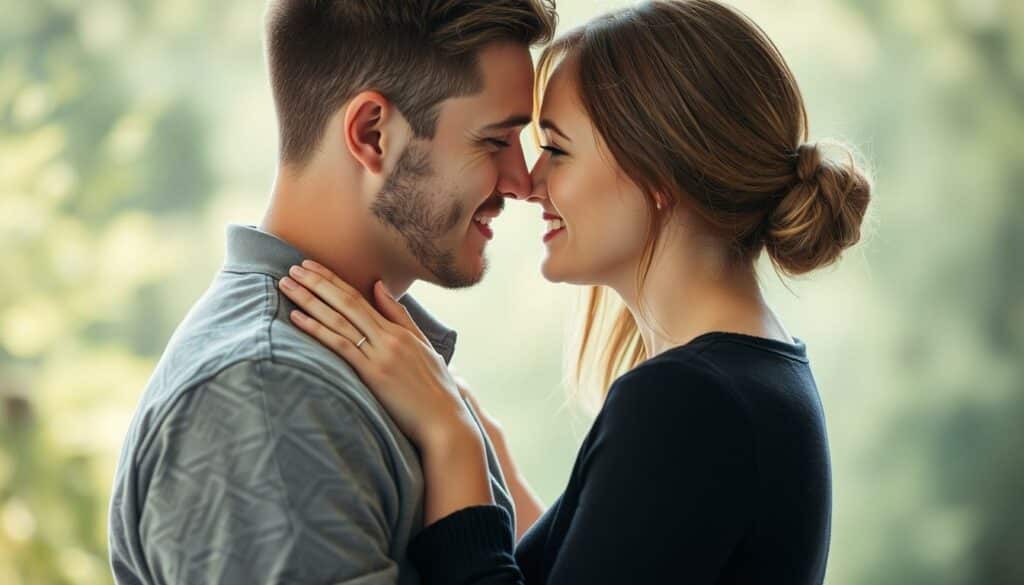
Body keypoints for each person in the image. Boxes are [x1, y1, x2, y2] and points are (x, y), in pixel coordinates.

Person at [278, 1, 873, 583]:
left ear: (655, 174)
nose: (527, 183)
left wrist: (450, 438)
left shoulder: (690, 403)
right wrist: (489, 452)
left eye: (556, 150)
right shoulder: (756, 376)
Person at [107, 1, 557, 583]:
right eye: (495, 141)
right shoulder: (265, 395)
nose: (522, 182)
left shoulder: (384, 371)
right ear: (373, 134)